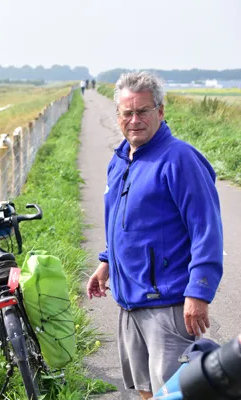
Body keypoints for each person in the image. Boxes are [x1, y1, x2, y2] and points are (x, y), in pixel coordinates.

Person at [86, 71, 224, 399]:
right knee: (145, 390)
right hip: (129, 299)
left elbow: (207, 230)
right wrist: (107, 261)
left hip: (170, 303)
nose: (134, 120)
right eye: (127, 113)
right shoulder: (120, 159)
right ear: (117, 114)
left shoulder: (180, 159)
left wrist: (199, 292)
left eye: (143, 111)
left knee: (176, 392)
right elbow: (121, 221)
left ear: (160, 112)